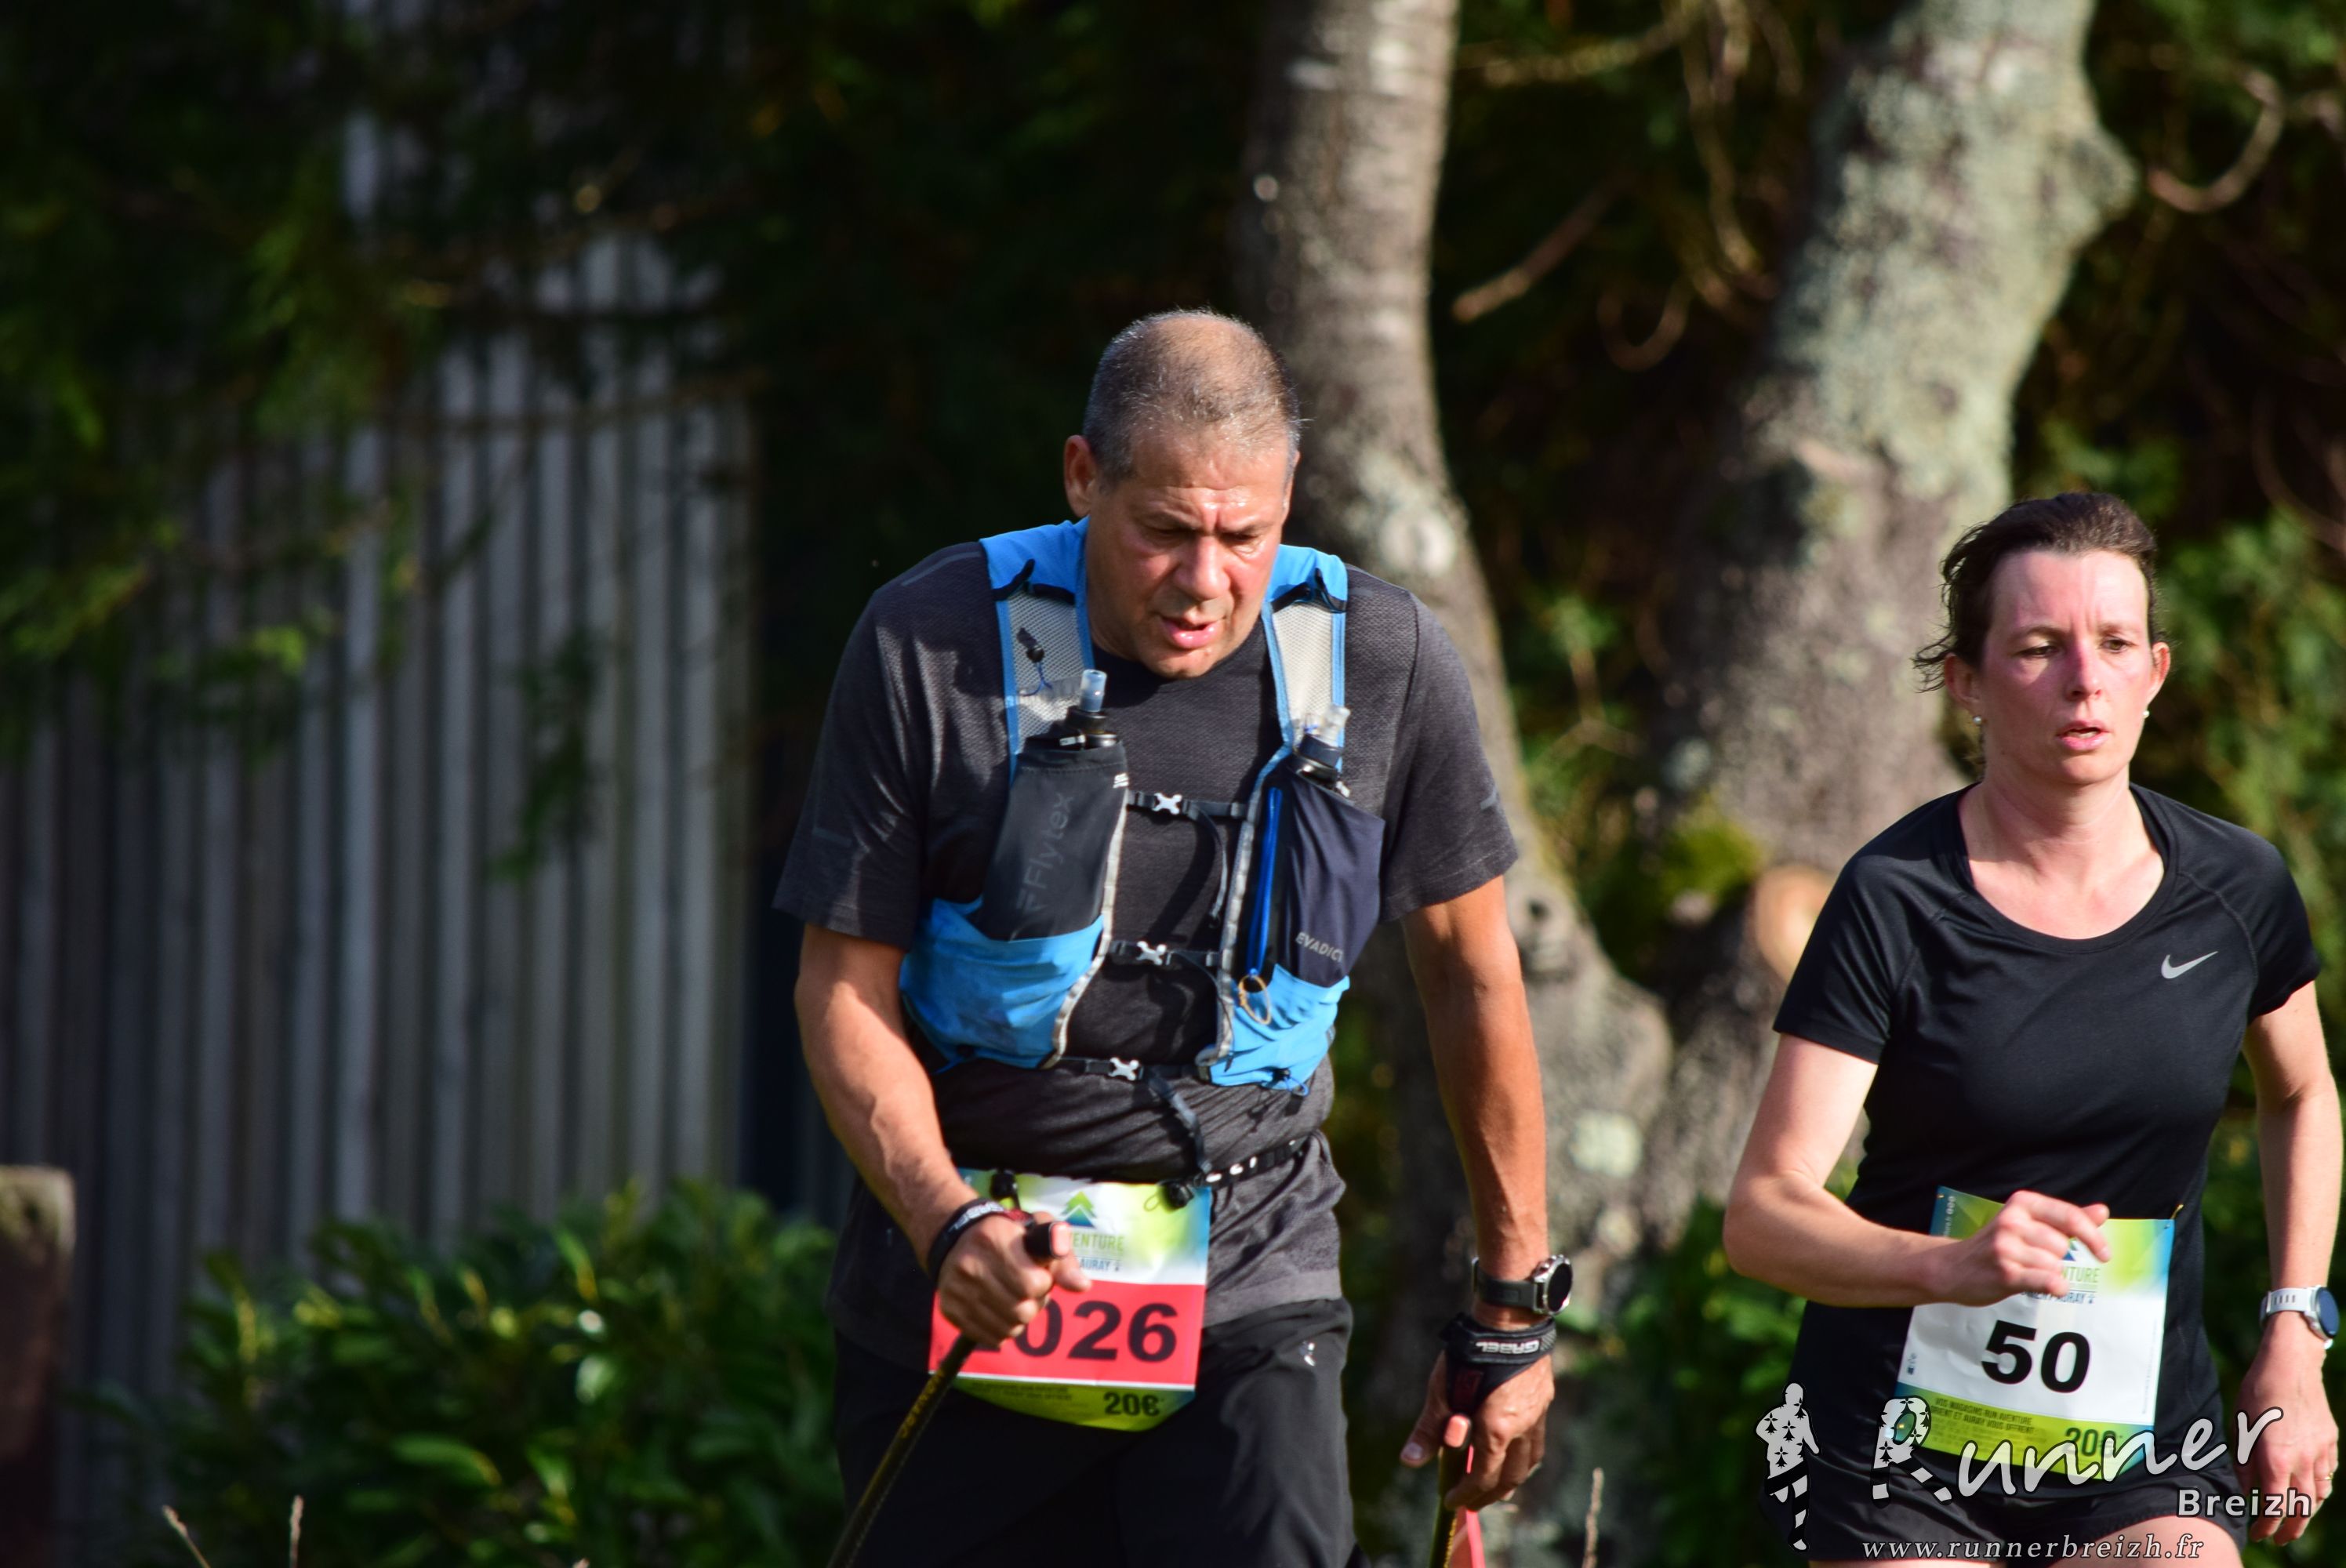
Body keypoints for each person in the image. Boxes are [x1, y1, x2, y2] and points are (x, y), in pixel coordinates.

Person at [780, 309, 1562, 1566]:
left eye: (1245, 537)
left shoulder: (1385, 658)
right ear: (1082, 476)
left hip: (1252, 1273)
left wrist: (1512, 1314)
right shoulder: (929, 639)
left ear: (1290, 493)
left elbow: (1473, 977)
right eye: (1164, 532)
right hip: (971, 1279)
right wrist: (944, 1223)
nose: (1205, 582)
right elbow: (840, 988)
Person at [1724, 492, 2339, 1566]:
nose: (2084, 679)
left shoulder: (2238, 889)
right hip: (1895, 1447)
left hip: (2141, 1445)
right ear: (1966, 680)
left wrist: (2295, 1330)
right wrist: (1945, 1266)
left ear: (2156, 670)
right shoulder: (1895, 897)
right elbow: (1764, 1216)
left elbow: (2302, 1093)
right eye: (2040, 647)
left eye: (2115, 644)